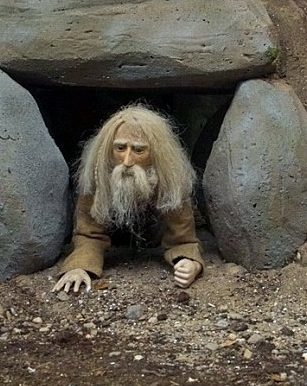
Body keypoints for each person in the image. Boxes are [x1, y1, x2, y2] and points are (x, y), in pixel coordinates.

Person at [53, 104, 204, 293]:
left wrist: (189, 262)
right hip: (112, 239)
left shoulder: (169, 177)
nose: (127, 161)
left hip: (153, 237)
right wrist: (79, 265)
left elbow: (183, 239)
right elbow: (88, 232)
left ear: (156, 152)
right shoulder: (98, 174)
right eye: (120, 148)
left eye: (138, 150)